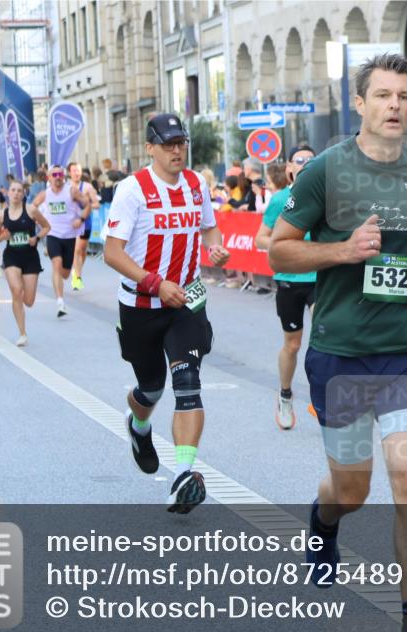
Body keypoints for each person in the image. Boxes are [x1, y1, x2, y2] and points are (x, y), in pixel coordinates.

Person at [268, 54, 407, 632]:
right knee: (352, 491)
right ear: (360, 103)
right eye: (383, 95)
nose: (395, 106)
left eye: (404, 96)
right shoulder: (327, 170)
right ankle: (325, 520)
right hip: (342, 354)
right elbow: (280, 252)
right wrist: (344, 250)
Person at [103, 112, 230, 514]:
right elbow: (112, 253)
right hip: (142, 304)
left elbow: (209, 227)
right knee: (152, 389)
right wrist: (156, 284)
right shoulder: (133, 190)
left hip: (188, 300)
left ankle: (182, 476)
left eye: (182, 143)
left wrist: (215, 247)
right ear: (151, 148)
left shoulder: (196, 185)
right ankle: (138, 426)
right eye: (169, 144)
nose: (177, 151)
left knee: (188, 383)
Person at [255, 147, 317, 430]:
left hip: (321, 279)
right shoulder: (281, 199)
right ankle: (285, 394)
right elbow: (261, 238)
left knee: (325, 336)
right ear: (290, 168)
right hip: (290, 279)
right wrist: (289, 248)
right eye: (300, 160)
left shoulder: (327, 197)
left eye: (311, 160)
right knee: (292, 344)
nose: (306, 164)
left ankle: (322, 396)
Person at [0, 180, 52, 346]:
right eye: (13, 190)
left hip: (30, 257)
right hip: (11, 256)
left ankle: (23, 321)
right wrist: (2, 237)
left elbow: (47, 227)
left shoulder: (31, 210)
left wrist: (37, 238)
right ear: (8, 193)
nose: (17, 193)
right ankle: (22, 333)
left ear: (23, 194)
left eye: (20, 190)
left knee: (29, 301)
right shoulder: (0, 215)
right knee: (16, 291)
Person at [33, 165, 90, 317]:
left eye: (60, 174)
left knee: (65, 273)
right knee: (56, 265)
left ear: (63, 176)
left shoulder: (71, 191)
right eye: (54, 174)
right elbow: (32, 207)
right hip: (53, 235)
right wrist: (39, 221)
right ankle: (60, 302)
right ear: (49, 178)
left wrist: (81, 218)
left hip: (70, 236)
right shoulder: (45, 194)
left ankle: (68, 276)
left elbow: (88, 205)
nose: (58, 177)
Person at [68, 162, 100, 291]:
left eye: (78, 171)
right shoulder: (65, 187)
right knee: (75, 250)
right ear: (69, 173)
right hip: (71, 223)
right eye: (74, 170)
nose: (77, 173)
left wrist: (86, 208)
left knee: (82, 250)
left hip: (85, 221)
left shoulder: (87, 187)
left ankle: (77, 270)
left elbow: (97, 204)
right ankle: (77, 277)